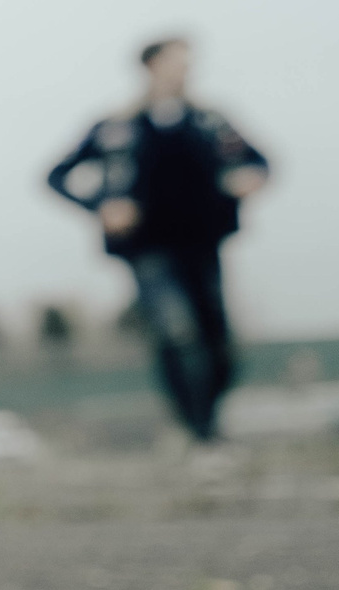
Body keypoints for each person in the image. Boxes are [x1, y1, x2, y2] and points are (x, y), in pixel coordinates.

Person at [49, 35, 270, 463]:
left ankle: (205, 421)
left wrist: (249, 179)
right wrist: (101, 206)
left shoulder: (210, 120)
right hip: (148, 249)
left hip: (204, 244)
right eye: (176, 61)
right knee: (177, 333)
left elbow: (259, 161)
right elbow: (57, 175)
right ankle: (202, 435)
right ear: (150, 66)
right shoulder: (116, 126)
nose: (185, 70)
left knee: (219, 342)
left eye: (188, 62)